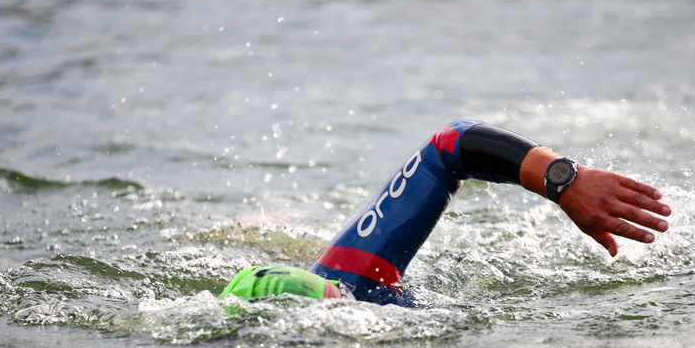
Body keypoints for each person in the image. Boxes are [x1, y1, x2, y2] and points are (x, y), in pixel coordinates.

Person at [219, 119, 671, 305]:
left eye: (335, 298)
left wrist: (564, 180)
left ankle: (264, 232)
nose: (343, 303)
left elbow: (449, 145)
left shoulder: (358, 285)